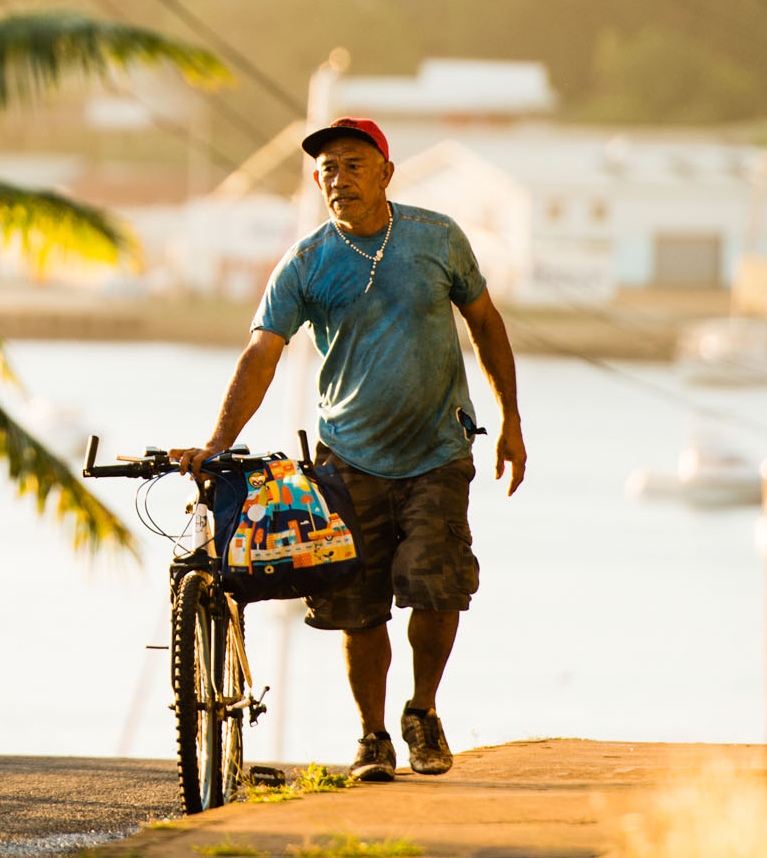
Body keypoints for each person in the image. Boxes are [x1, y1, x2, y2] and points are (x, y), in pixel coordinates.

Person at [173, 116, 526, 783]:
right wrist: (218, 442)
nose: (340, 177)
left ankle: (421, 709)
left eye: (354, 164)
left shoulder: (436, 238)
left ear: (386, 172)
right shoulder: (307, 261)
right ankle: (371, 735)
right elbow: (262, 352)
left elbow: (485, 322)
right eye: (328, 168)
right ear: (317, 181)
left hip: (438, 449)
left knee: (435, 581)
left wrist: (511, 420)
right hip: (348, 458)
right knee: (357, 607)